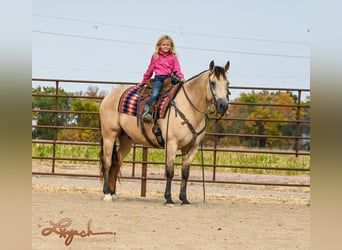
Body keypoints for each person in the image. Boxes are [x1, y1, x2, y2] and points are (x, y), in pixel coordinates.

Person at [141, 35, 185, 121]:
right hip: (159, 79)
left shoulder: (173, 57)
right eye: (164, 45)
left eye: (168, 45)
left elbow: (177, 69)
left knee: (178, 93)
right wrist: (143, 81)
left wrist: (181, 77)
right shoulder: (155, 56)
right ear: (159, 45)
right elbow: (150, 70)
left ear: (171, 46)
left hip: (169, 79)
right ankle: (148, 111)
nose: (166, 47)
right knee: (155, 93)